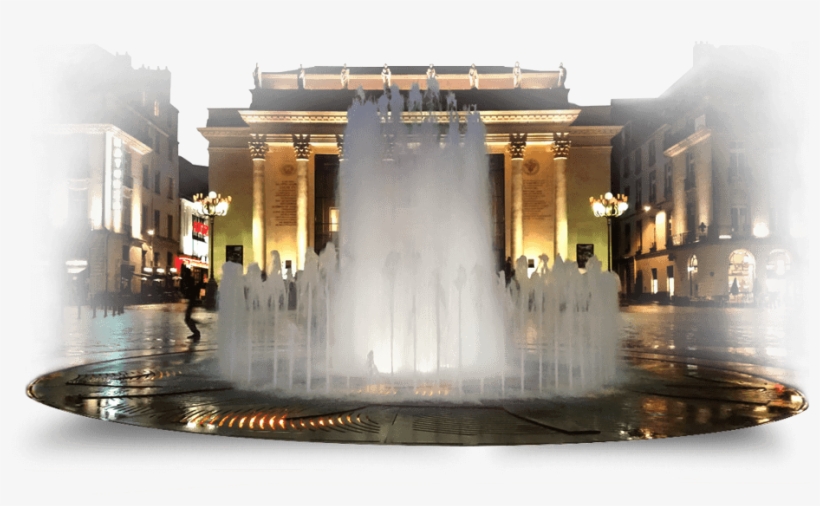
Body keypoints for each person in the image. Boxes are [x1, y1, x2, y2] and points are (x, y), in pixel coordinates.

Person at [181, 267, 201, 340]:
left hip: (192, 300)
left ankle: (196, 332)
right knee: (187, 318)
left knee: (187, 318)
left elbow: (190, 290)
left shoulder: (189, 280)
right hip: (192, 300)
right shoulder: (189, 279)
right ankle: (195, 331)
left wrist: (186, 291)